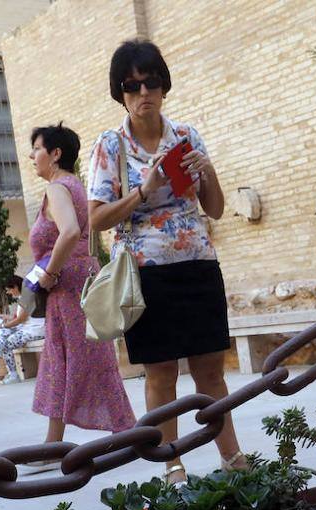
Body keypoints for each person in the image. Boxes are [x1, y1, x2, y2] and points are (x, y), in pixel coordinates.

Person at [87, 40, 244, 484]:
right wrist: (142, 189)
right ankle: (172, 464)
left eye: (150, 81)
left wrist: (208, 170)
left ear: (163, 84)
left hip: (197, 263)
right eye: (131, 85)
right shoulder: (110, 145)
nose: (143, 92)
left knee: (211, 370)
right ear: (120, 93)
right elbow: (96, 219)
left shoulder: (187, 136)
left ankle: (233, 459)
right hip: (144, 273)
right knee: (160, 374)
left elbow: (213, 209)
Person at [25, 122, 135, 468]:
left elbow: (70, 231)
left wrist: (50, 272)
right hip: (78, 282)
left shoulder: (59, 188)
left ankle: (122, 431)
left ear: (55, 154)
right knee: (76, 359)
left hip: (67, 285)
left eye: (37, 148)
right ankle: (57, 444)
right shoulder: (75, 186)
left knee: (77, 360)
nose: (32, 156)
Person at [0, 275, 45, 383]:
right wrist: (6, 318)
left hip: (35, 330)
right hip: (26, 328)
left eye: (8, 290)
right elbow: (22, 317)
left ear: (15, 287)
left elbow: (21, 319)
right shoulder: (23, 297)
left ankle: (12, 374)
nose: (8, 293)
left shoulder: (27, 297)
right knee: (2, 332)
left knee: (7, 341)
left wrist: (3, 325)